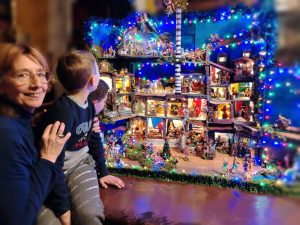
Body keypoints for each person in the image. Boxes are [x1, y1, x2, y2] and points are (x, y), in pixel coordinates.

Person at [35, 50, 124, 225]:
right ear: (93, 81)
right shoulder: (63, 113)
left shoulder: (88, 105)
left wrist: (103, 172)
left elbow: (93, 139)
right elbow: (54, 163)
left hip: (81, 165)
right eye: (98, 71)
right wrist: (64, 210)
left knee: (89, 214)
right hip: (57, 171)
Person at [0, 43, 71, 225]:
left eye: (40, 74)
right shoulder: (7, 135)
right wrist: (48, 158)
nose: (37, 84)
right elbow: (19, 220)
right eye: (22, 75)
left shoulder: (24, 118)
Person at [89, 79, 125, 188]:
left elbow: (95, 143)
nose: (104, 105)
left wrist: (104, 173)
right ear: (95, 103)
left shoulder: (92, 119)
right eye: (104, 102)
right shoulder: (90, 120)